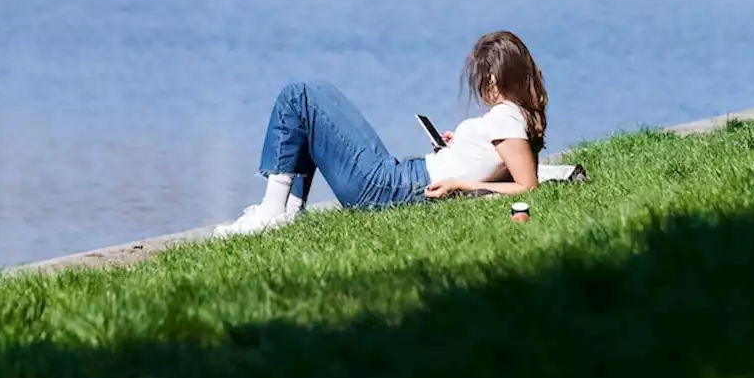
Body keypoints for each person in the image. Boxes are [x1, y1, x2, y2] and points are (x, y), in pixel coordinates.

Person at [213, 31, 548, 238]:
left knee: (300, 96)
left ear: (499, 78)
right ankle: (286, 211)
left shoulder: (506, 118)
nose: (481, 88)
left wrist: (464, 185)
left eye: (483, 79)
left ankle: (272, 212)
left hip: (395, 188)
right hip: (402, 179)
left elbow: (527, 186)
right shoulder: (512, 118)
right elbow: (501, 164)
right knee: (311, 99)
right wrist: (457, 150)